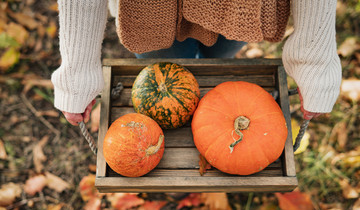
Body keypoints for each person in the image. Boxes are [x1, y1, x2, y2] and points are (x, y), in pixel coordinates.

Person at [52, 0, 341, 126]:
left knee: (219, 63)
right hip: (149, 12)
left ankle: (208, 114)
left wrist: (314, 62)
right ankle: (172, 174)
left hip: (237, 8)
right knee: (162, 83)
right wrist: (77, 69)